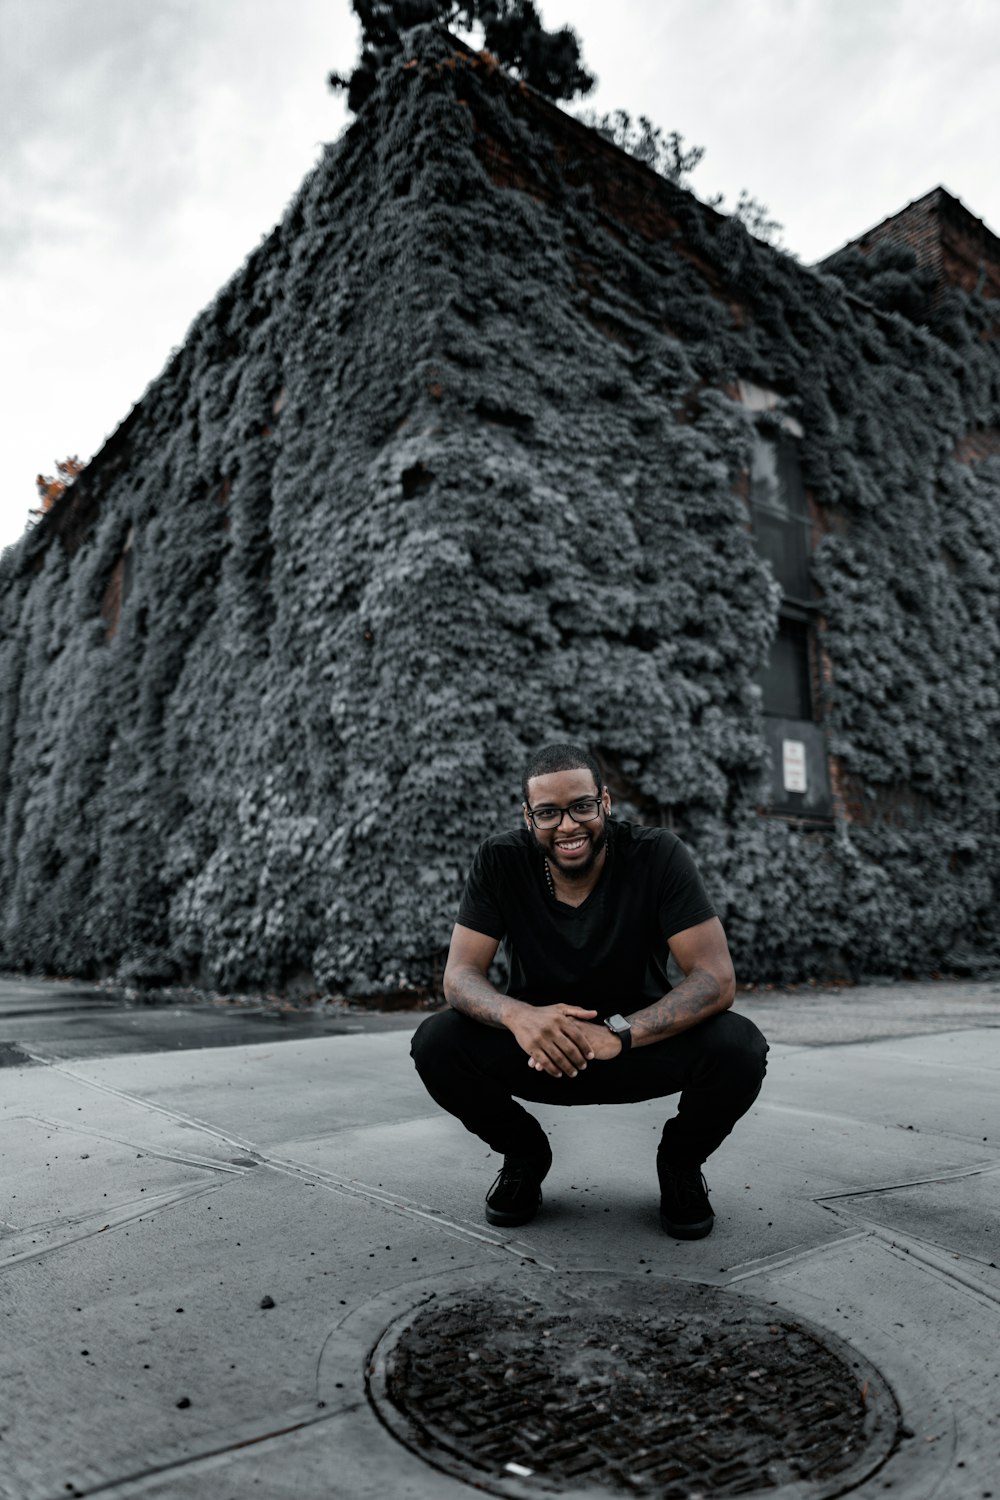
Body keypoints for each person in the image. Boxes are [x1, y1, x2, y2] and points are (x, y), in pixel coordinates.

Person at [410, 742, 769, 1238]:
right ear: (527, 816)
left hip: (634, 1049)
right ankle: (524, 1156)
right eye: (548, 813)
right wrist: (519, 1017)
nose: (568, 826)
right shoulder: (500, 860)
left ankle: (681, 1164)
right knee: (436, 1042)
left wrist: (618, 1033)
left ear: (605, 801)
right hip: (540, 1052)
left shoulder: (657, 854)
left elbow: (714, 977)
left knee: (740, 1046)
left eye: (581, 807)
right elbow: (460, 975)